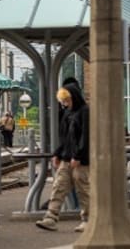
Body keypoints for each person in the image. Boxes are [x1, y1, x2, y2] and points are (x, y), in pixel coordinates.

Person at [36, 79, 90, 233]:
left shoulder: (85, 111)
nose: (65, 103)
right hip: (68, 158)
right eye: (63, 101)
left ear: (73, 97)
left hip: (81, 161)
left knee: (83, 189)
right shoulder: (67, 113)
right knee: (59, 186)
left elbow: (85, 136)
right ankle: (51, 217)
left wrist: (79, 156)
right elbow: (65, 137)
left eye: (66, 100)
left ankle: (88, 220)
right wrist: (57, 153)